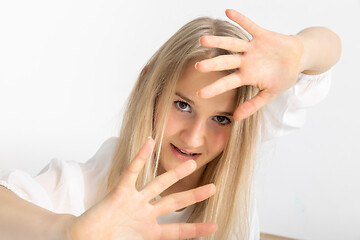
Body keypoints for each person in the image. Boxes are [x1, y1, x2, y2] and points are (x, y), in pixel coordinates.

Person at [0, 9, 341, 240]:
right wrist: (68, 231)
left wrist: (297, 51)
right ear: (152, 90)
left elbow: (327, 51)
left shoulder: (246, 130)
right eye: (182, 105)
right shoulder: (93, 182)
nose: (194, 137)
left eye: (220, 118)